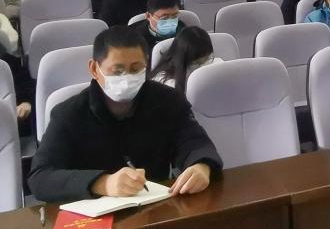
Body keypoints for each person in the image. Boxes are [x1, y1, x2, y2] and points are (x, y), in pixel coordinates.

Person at [27, 26, 222, 202]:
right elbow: (41, 177)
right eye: (117, 70)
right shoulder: (68, 114)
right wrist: (103, 183)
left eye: (136, 69)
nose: (127, 78)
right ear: (94, 69)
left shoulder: (168, 101)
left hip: (155, 206)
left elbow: (195, 142)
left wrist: (201, 165)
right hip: (94, 215)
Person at [151, 26, 222, 90]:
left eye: (207, 58)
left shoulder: (215, 63)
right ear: (182, 59)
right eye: (198, 62)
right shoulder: (166, 83)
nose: (204, 65)